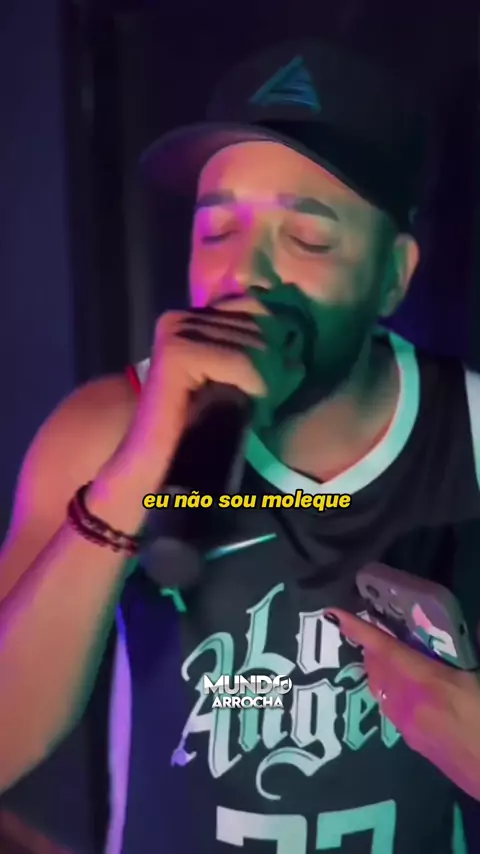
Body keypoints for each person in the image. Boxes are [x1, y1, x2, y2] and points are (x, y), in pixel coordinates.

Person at [0, 36, 479, 854]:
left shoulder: (466, 428)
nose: (245, 275)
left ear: (393, 275)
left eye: (309, 239)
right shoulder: (105, 427)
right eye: (217, 229)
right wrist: (138, 468)